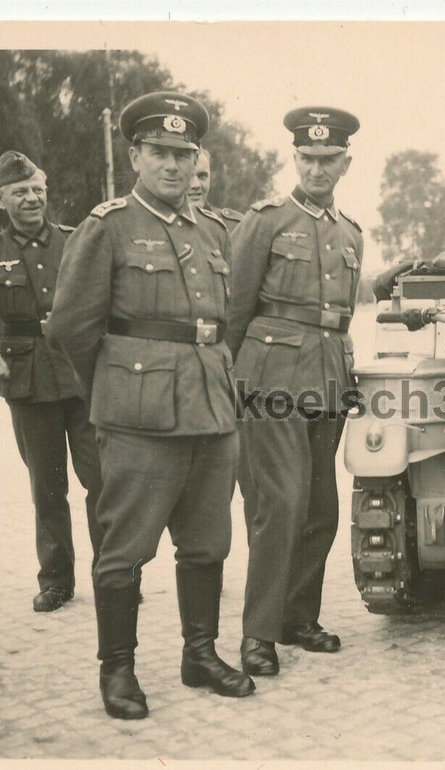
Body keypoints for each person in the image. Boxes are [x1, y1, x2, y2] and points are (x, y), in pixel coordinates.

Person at [48, 91, 255, 719]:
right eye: (160, 152)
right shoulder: (107, 226)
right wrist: (119, 389)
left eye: (184, 153)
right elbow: (70, 331)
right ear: (135, 154)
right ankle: (118, 672)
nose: (173, 165)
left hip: (211, 411)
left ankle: (200, 653)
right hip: (138, 419)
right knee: (125, 549)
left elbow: (225, 323)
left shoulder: (213, 230)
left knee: (208, 542)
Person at [228, 106, 363, 677]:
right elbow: (233, 307)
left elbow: (342, 312)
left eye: (328, 159)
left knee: (320, 507)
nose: (316, 167)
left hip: (329, 372)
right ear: (295, 158)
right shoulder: (265, 220)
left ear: (345, 163)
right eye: (307, 157)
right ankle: (257, 634)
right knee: (279, 503)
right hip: (270, 375)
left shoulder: (350, 231)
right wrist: (226, 381)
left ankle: (297, 618)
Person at [0, 151, 104, 613]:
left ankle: (115, 574)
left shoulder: (78, 241)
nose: (32, 198)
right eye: (20, 192)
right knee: (47, 487)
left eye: (37, 189)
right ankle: (56, 580)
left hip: (83, 378)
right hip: (29, 383)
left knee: (103, 482)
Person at [186, 147, 255, 536]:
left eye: (204, 176)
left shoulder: (236, 226)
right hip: (178, 371)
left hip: (233, 369)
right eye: (191, 174)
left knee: (247, 475)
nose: (196, 184)